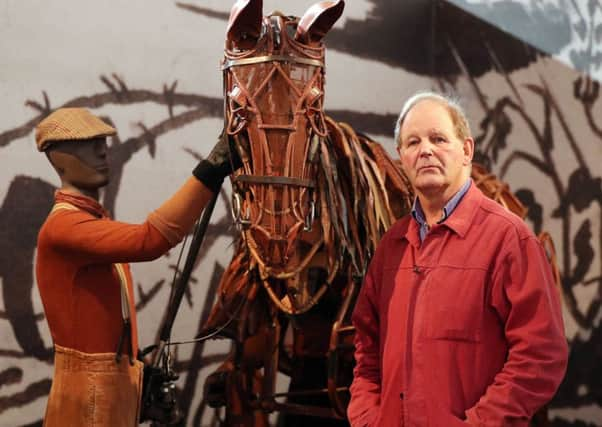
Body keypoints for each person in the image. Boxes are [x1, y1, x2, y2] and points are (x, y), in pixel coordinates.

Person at [347, 92, 568, 426]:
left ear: (466, 150)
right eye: (413, 142)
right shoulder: (391, 246)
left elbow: (541, 356)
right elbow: (367, 349)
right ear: (401, 157)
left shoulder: (509, 239)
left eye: (438, 138)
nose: (425, 150)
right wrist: (367, 419)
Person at [34, 108, 237, 426]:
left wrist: (135, 375)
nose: (102, 149)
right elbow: (150, 240)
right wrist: (211, 170)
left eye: (102, 140)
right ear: (57, 157)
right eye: (88, 143)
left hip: (106, 392)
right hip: (88, 399)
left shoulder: (90, 221)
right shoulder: (63, 228)